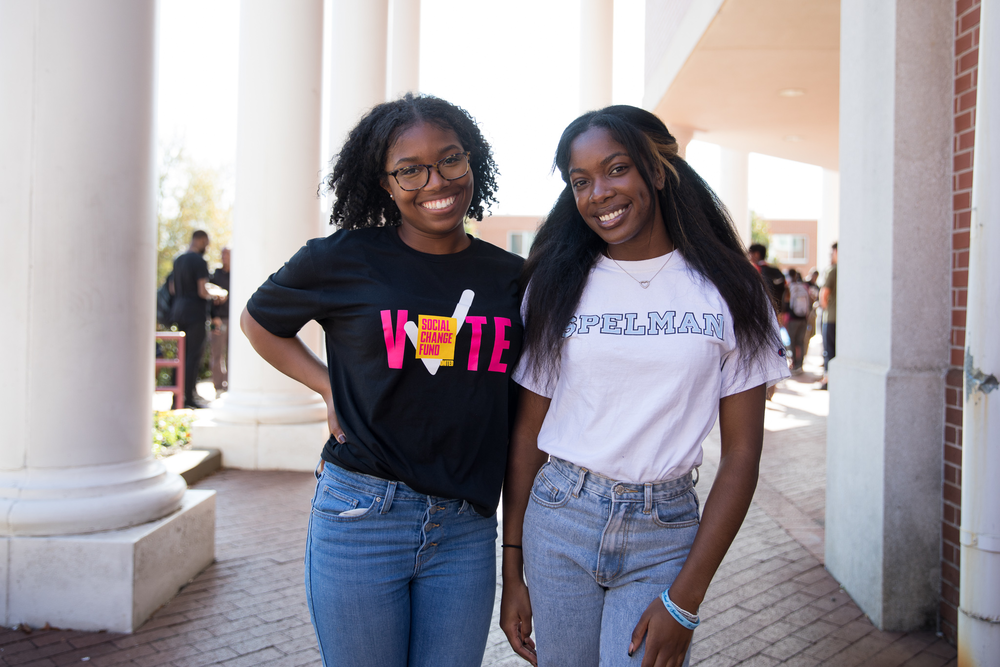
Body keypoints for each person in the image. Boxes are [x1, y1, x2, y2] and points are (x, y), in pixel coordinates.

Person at [499, 106, 789, 667]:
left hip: (665, 528)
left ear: (656, 172)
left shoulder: (730, 289)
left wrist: (685, 602)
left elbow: (742, 456)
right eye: (580, 181)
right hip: (560, 515)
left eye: (616, 170)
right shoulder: (555, 285)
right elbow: (528, 433)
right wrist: (511, 569)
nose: (598, 193)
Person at [240, 94, 522, 667]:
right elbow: (259, 322)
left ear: (473, 163)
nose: (434, 180)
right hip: (362, 515)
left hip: (466, 527)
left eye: (450, 160)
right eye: (409, 169)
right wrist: (326, 385)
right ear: (384, 183)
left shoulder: (513, 278)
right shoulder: (344, 258)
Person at [169, 230, 213, 409]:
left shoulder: (178, 260)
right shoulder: (199, 261)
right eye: (207, 243)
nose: (207, 247)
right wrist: (215, 296)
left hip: (178, 311)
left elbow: (172, 288)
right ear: (201, 240)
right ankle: (188, 398)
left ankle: (176, 398)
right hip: (195, 312)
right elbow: (202, 290)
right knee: (192, 356)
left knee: (180, 356)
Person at [210, 247, 231, 397]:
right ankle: (218, 387)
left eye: (227, 254)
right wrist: (213, 317)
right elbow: (208, 298)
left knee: (233, 354)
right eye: (222, 254)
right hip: (218, 320)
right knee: (216, 353)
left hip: (235, 319)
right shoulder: (215, 274)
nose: (224, 257)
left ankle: (231, 385)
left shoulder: (238, 274)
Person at [785, 268, 813, 374]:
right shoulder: (804, 287)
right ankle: (800, 364)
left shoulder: (789, 287)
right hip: (803, 318)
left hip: (793, 319)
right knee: (800, 342)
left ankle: (794, 363)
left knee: (793, 341)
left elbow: (786, 304)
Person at [819, 242, 838, 390]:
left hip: (831, 317)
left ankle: (828, 381)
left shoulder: (832, 270)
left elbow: (824, 294)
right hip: (843, 320)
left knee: (829, 352)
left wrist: (825, 309)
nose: (831, 256)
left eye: (832, 253)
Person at [748, 243, 786, 316]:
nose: (749, 257)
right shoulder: (776, 271)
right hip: (776, 311)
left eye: (750, 254)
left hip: (759, 311)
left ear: (756, 254)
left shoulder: (755, 270)